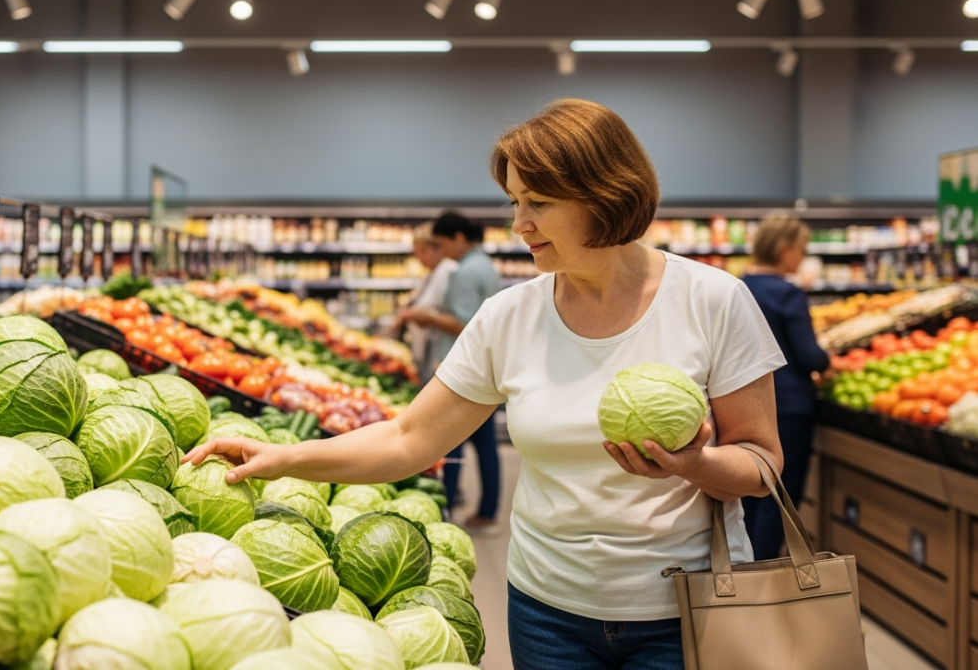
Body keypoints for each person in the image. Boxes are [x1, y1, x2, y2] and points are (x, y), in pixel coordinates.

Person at [187, 98, 785, 669]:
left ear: (603, 195)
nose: (519, 223)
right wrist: (285, 458)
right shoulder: (509, 317)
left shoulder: (713, 300)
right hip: (548, 613)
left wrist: (693, 465)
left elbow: (762, 465)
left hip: (686, 607)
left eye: (539, 202)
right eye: (514, 202)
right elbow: (409, 438)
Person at [401, 211, 503, 529]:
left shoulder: (464, 273)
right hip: (485, 367)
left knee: (450, 442)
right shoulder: (485, 265)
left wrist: (428, 317)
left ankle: (445, 506)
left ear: (459, 237)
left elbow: (464, 322)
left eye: (443, 244)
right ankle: (487, 510)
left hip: (462, 368)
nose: (442, 252)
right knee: (486, 445)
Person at [740, 214, 829, 561]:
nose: (802, 258)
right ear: (784, 250)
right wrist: (829, 361)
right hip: (788, 407)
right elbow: (809, 355)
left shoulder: (737, 286)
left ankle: (740, 569)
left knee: (748, 494)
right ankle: (762, 576)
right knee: (781, 498)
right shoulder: (787, 293)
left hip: (742, 402)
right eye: (801, 250)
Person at [393, 222, 460, 384]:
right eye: (417, 251)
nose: (419, 257)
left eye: (423, 251)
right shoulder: (432, 273)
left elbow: (454, 317)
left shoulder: (449, 272)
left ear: (439, 248)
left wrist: (423, 315)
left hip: (441, 355)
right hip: (427, 354)